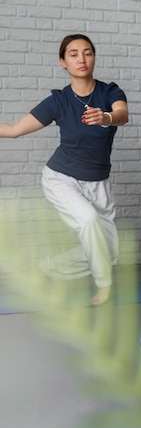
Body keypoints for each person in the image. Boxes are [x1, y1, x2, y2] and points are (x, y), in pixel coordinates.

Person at [0, 34, 128, 306]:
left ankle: (45, 268)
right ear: (63, 62)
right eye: (73, 54)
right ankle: (104, 285)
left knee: (108, 251)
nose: (81, 59)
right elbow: (13, 131)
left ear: (93, 57)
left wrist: (105, 117)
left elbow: (122, 115)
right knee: (89, 221)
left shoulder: (110, 92)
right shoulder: (58, 101)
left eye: (87, 52)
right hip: (61, 178)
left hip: (98, 183)